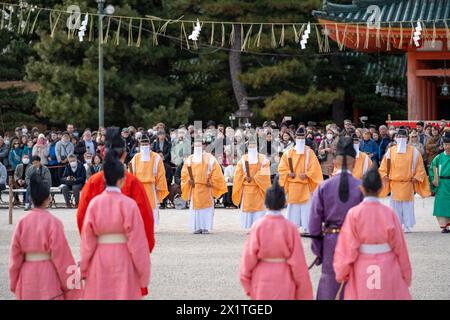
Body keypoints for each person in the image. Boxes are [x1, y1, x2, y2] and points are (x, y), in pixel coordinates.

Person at [80, 150, 150, 300]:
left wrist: (84, 268)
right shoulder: (129, 205)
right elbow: (138, 243)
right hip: (124, 255)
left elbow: (87, 241)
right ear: (121, 180)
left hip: (100, 256)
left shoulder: (95, 204)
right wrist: (143, 275)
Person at [333, 169, 412, 300]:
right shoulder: (389, 213)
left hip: (361, 266)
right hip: (387, 266)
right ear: (381, 188)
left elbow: (346, 248)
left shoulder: (354, 214)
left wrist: (341, 273)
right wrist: (405, 275)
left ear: (362, 188)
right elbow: (400, 248)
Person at [77, 127, 155, 253]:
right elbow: (145, 217)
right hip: (126, 249)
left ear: (103, 153)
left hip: (98, 248)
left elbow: (82, 217)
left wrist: (89, 247)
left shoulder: (92, 182)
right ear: (124, 154)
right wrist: (144, 249)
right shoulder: (133, 182)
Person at [239, 177, 313, 300]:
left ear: (265, 202)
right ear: (284, 202)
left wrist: (248, 286)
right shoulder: (290, 228)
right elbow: (299, 264)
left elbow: (248, 259)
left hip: (261, 279)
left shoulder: (257, 226)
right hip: (284, 278)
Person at [309, 137, 364, 300]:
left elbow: (313, 224)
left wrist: (318, 251)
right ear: (354, 162)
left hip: (331, 240)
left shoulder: (324, 187)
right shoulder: (362, 187)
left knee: (330, 282)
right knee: (354, 280)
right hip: (355, 241)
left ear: (334, 162)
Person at [9, 173, 79, 300]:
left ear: (30, 198)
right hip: (48, 274)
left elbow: (15, 257)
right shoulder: (54, 223)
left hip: (27, 275)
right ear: (48, 198)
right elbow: (63, 259)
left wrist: (15, 282)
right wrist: (72, 288)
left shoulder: (22, 222)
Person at [379, 128, 431, 233]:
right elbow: (383, 166)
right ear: (396, 138)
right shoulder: (390, 151)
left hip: (408, 183)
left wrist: (416, 177)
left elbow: (420, 168)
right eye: (399, 137)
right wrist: (384, 174)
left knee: (407, 206)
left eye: (403, 137)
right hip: (395, 183)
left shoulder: (414, 152)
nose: (401, 139)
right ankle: (396, 225)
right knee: (395, 206)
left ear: (407, 139)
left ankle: (407, 225)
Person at [278, 128, 323, 234]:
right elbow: (281, 168)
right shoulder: (288, 153)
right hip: (293, 185)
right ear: (295, 138)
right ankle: (292, 228)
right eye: (298, 137)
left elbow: (315, 168)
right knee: (293, 208)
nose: (300, 139)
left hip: (305, 185)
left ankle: (308, 228)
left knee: (307, 208)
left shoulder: (309, 152)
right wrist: (289, 173)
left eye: (302, 137)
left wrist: (307, 174)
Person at [181, 139, 227, 234]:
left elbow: (216, 172)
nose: (198, 146)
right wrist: (189, 181)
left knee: (206, 209)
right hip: (195, 188)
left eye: (200, 144)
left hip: (206, 187)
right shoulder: (189, 159)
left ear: (203, 146)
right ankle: (197, 227)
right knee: (196, 209)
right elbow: (184, 174)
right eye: (196, 144)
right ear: (193, 145)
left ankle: (205, 227)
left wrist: (212, 182)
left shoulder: (210, 158)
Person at [232, 137, 271, 229]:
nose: (252, 146)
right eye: (250, 144)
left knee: (259, 209)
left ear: (257, 146)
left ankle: (259, 228)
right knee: (248, 208)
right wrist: (245, 177)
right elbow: (238, 173)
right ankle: (250, 227)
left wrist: (254, 178)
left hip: (259, 188)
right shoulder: (243, 159)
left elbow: (265, 172)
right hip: (247, 189)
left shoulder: (263, 159)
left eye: (254, 144)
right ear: (247, 146)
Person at [129, 134, 168, 225]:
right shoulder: (136, 157)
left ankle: (150, 224)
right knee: (139, 205)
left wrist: (159, 186)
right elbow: (131, 172)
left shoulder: (156, 157)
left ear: (150, 145)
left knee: (151, 205)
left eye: (146, 144)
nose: (144, 146)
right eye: (142, 144)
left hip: (151, 186)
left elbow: (161, 174)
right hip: (139, 187)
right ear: (139, 145)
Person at [429, 131, 450, 233]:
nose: (448, 147)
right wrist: (434, 179)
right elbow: (433, 168)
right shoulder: (439, 157)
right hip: (441, 183)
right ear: (443, 145)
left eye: (449, 145)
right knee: (442, 204)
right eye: (446, 144)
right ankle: (444, 226)